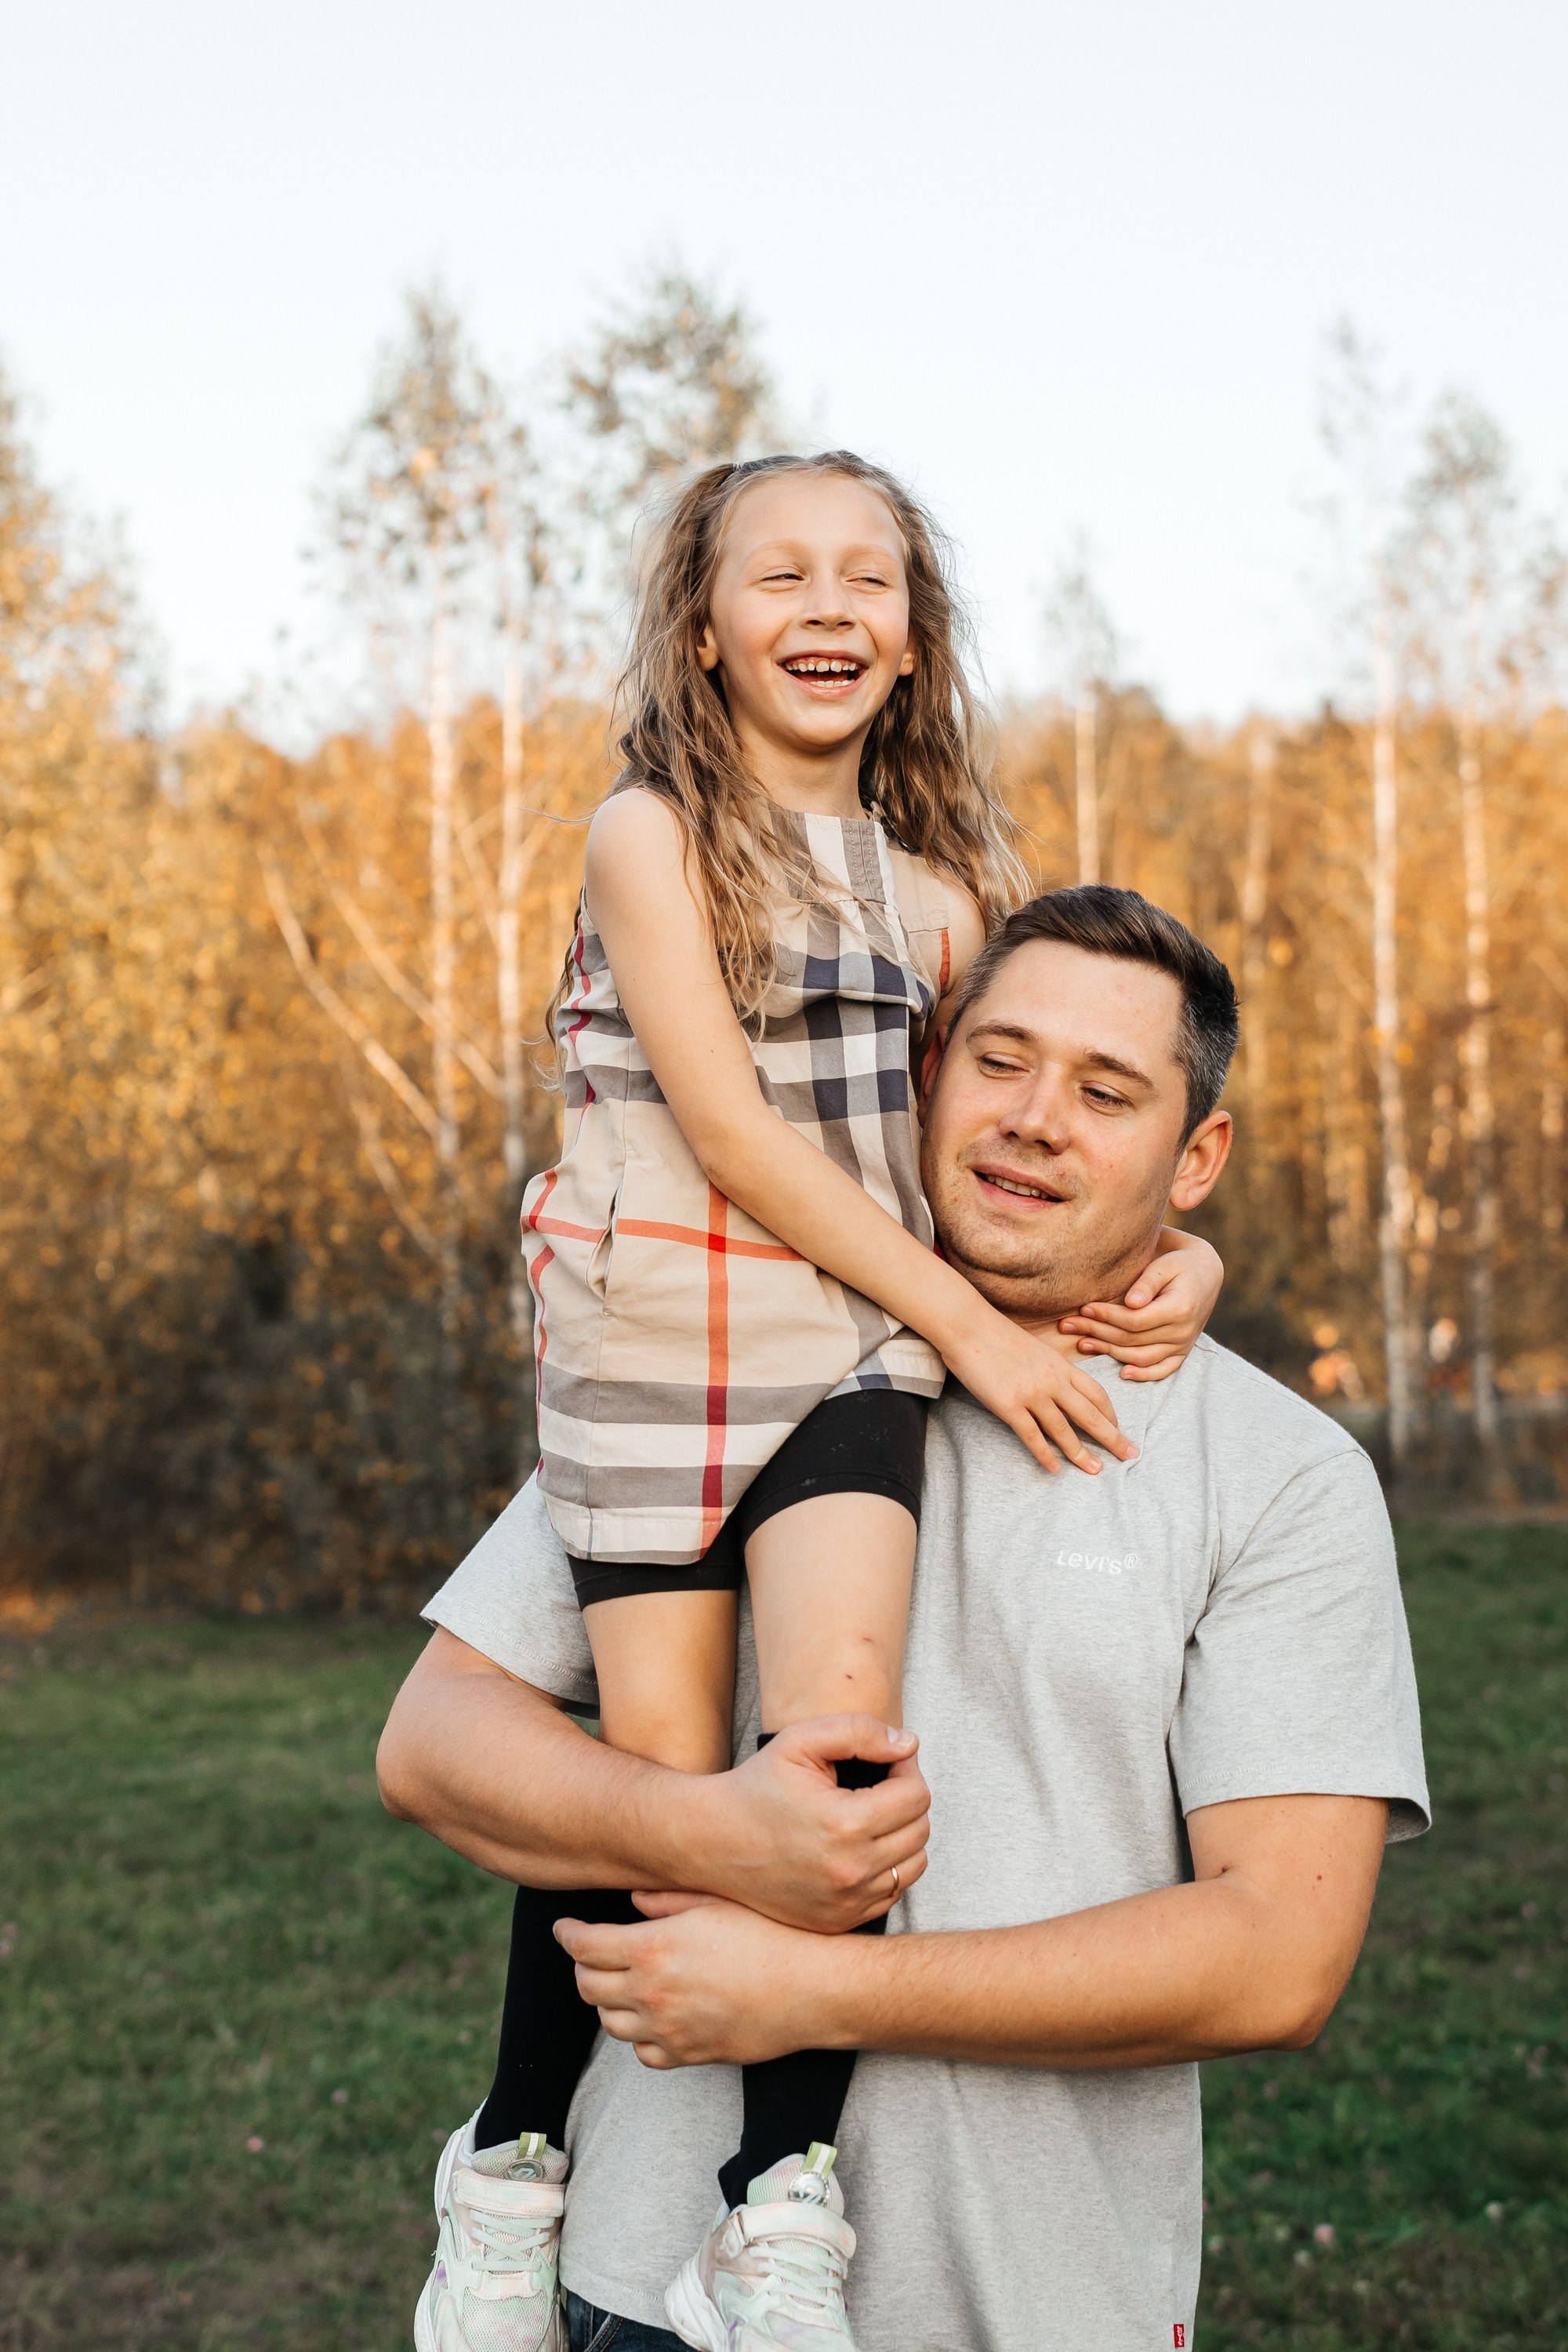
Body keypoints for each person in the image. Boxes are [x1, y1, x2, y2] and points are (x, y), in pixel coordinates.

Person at [379, 884, 1430, 2352]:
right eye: (999, 1060)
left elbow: (1279, 1955)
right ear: (924, 1076)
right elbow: (434, 1741)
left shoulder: (1281, 1476)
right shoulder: (728, 1353)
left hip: (1042, 2308)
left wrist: (811, 1988)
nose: (1035, 1117)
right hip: (644, 2286)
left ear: (1197, 1159)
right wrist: (714, 1837)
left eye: (1106, 1090)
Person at [426, 452, 1223, 2351]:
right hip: (657, 1353)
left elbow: (1030, 1124)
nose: (829, 605)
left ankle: (775, 2214)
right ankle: (512, 2162)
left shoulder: (950, 903)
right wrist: (990, 1330)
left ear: (914, 636)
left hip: (852, 1359)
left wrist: (1181, 1262)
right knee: (660, 1796)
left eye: (870, 577)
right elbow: (723, 1128)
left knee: (842, 1746)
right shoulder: (649, 836)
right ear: (703, 631)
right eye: (779, 573)